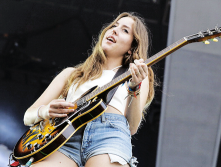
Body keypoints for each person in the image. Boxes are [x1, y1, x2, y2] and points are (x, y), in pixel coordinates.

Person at [23, 12, 155, 167]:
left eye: (125, 30)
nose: (114, 30)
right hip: (64, 137)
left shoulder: (136, 75)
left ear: (131, 48)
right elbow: (28, 116)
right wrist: (45, 111)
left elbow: (132, 127)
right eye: (114, 25)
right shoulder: (71, 74)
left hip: (109, 136)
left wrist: (134, 88)